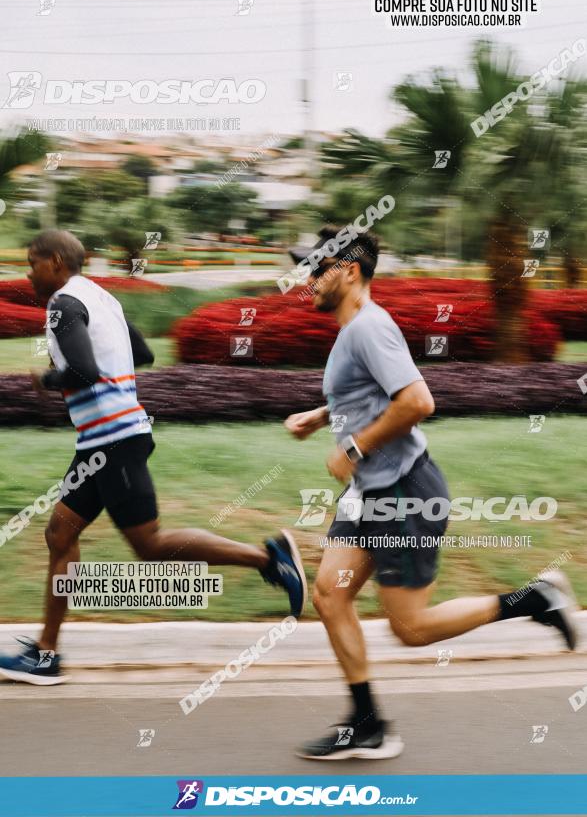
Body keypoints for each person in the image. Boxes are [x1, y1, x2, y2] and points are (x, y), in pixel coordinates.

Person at [284, 226, 577, 760]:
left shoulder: (368, 327)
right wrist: (323, 414)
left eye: (317, 268)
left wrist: (351, 450)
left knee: (411, 629)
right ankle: (367, 724)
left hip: (402, 492)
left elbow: (418, 401)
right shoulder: (355, 330)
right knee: (330, 594)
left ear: (348, 270)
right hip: (373, 491)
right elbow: (377, 392)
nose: (309, 278)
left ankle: (534, 599)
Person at [0, 230, 306, 685]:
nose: (28, 272)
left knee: (151, 546)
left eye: (34, 262)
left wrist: (44, 380)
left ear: (58, 262)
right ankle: (47, 653)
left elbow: (84, 370)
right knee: (59, 533)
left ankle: (269, 558)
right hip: (102, 440)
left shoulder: (64, 303)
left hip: (113, 441)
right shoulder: (100, 297)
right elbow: (140, 352)